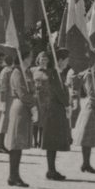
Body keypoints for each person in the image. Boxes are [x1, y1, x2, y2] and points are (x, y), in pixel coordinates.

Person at [33, 50, 72, 180]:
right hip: (54, 111)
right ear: (59, 60)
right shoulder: (54, 74)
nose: (67, 63)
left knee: (54, 141)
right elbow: (59, 93)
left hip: (56, 110)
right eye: (66, 60)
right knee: (52, 141)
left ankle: (52, 169)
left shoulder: (57, 73)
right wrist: (67, 104)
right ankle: (51, 170)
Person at [2, 46, 35, 187]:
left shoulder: (25, 71)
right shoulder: (17, 72)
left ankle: (14, 176)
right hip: (20, 108)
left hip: (24, 108)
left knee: (19, 144)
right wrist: (33, 106)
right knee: (16, 144)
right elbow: (22, 92)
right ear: (24, 58)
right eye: (30, 56)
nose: (31, 59)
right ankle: (13, 176)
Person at [71, 50, 95, 173]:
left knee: (89, 137)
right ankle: (85, 163)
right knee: (87, 137)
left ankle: (86, 163)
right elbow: (91, 93)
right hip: (91, 107)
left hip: (94, 106)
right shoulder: (89, 75)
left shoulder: (94, 74)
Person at [0, 51, 14, 154]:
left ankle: (3, 145)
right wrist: (3, 102)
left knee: (6, 122)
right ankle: (0, 146)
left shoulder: (10, 71)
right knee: (2, 122)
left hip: (10, 99)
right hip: (6, 99)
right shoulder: (6, 72)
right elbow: (3, 88)